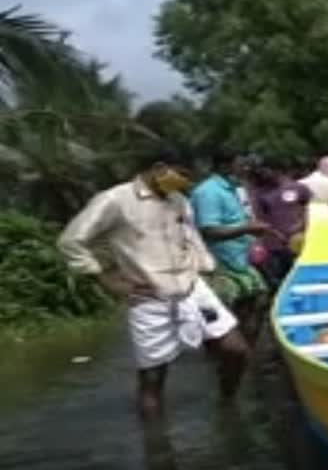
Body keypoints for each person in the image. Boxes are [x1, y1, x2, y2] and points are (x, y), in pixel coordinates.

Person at [57, 146, 248, 419]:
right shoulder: (115, 200)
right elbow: (71, 241)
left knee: (236, 350)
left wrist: (207, 269)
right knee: (153, 379)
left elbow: (191, 238)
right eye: (182, 174)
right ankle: (157, 447)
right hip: (149, 296)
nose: (186, 181)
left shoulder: (178, 200)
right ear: (159, 168)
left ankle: (227, 408)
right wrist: (107, 279)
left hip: (192, 288)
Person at [189, 150, 273, 336]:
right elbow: (209, 230)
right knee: (226, 315)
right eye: (241, 164)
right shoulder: (208, 192)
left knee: (258, 300)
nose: (246, 168)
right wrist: (247, 229)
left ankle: (246, 351)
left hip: (240, 260)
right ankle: (231, 352)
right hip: (219, 264)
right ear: (224, 166)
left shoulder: (233, 188)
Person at [248, 158, 312, 288]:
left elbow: (309, 208)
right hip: (274, 245)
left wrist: (301, 225)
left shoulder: (298, 187)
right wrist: (273, 234)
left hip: (298, 242)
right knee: (279, 282)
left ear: (277, 170)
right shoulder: (259, 193)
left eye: (266, 169)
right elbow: (259, 217)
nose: (263, 173)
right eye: (260, 169)